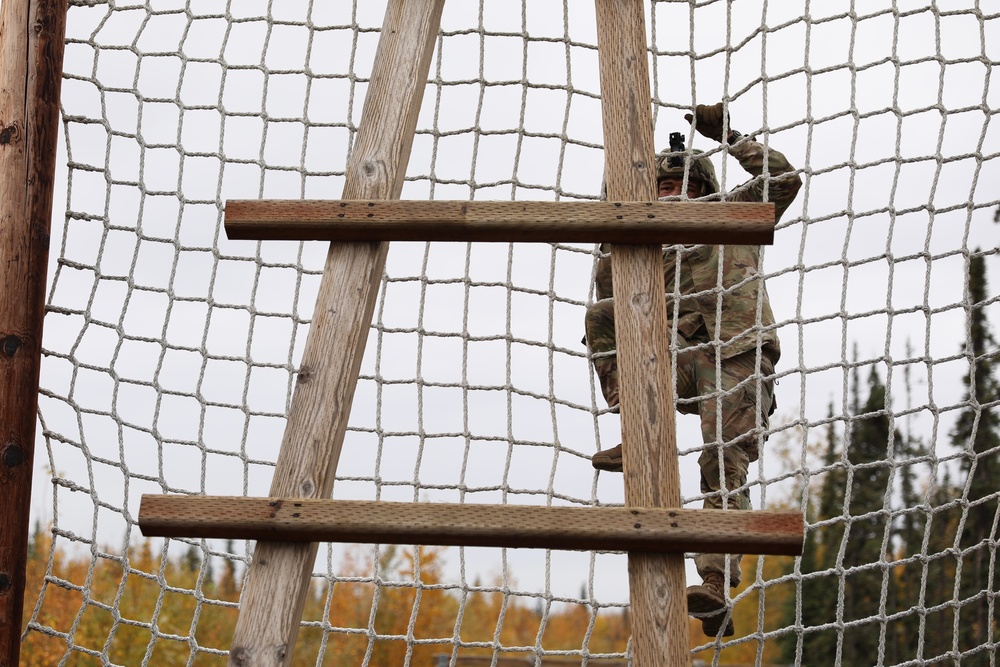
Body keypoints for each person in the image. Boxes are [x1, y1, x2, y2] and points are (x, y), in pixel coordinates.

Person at [584, 103, 802, 637]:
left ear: (703, 191)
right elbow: (612, 302)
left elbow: (784, 180)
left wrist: (727, 134)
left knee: (721, 457)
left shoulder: (732, 214)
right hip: (676, 361)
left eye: (683, 184)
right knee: (602, 317)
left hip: (738, 350)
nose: (672, 194)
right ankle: (634, 430)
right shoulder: (638, 245)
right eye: (662, 187)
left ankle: (712, 581)